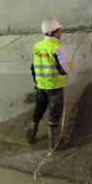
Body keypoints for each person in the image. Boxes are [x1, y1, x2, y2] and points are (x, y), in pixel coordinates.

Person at [26, 18, 73, 150]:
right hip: (54, 88)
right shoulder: (58, 48)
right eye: (60, 30)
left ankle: (32, 136)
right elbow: (64, 70)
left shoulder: (37, 46)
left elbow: (33, 66)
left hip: (41, 86)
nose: (61, 31)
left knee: (38, 110)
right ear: (56, 32)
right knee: (54, 114)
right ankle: (54, 143)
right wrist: (70, 65)